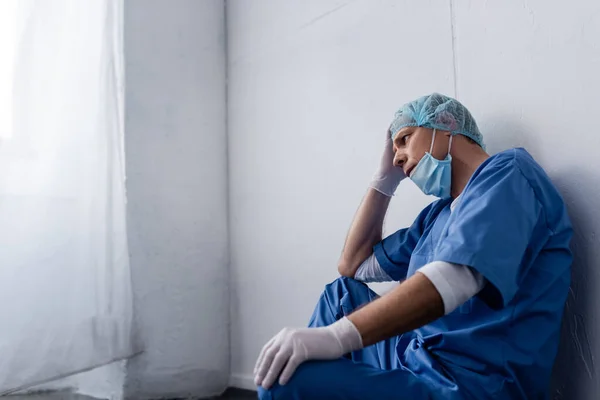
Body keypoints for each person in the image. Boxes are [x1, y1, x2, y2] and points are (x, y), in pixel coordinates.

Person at [254, 93, 573, 400]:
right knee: (340, 295)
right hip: (417, 358)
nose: (397, 157)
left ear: (447, 123)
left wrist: (336, 338)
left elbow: (453, 279)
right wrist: (383, 181)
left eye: (405, 138)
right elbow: (353, 265)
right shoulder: (437, 215)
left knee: (282, 383)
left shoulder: (508, 173)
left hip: (468, 384)